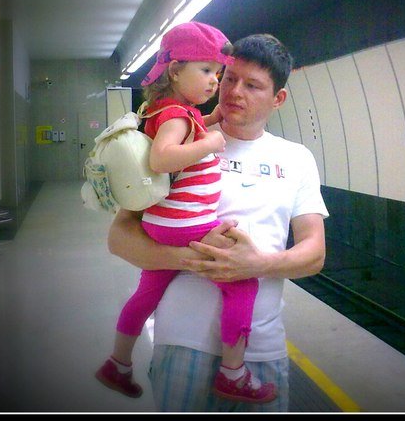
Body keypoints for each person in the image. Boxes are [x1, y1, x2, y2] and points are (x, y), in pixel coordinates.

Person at [106, 32, 328, 412]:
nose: (234, 91)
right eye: (229, 78)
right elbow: (119, 238)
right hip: (181, 342)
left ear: (278, 99)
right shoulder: (182, 141)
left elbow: (314, 253)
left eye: (252, 85)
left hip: (262, 348)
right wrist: (197, 259)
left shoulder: (296, 159)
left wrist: (257, 265)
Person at [95, 22, 276, 404]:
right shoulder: (177, 114)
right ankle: (233, 373)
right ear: (175, 70)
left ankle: (118, 363)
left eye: (218, 73)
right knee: (243, 282)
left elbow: (182, 133)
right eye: (206, 70)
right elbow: (163, 158)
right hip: (186, 222)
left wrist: (209, 123)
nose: (215, 81)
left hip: (163, 223)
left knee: (147, 293)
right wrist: (212, 142)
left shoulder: (169, 110)